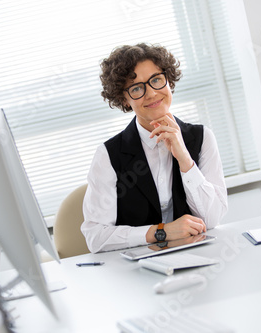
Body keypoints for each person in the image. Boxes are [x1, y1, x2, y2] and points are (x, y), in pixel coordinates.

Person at [81, 43, 228, 253]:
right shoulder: (108, 155)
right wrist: (162, 232)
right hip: (137, 267)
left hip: (198, 255)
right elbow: (95, 237)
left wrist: (185, 159)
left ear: (168, 81)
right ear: (124, 98)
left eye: (156, 80)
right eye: (137, 88)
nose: (151, 94)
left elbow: (212, 219)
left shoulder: (202, 138)